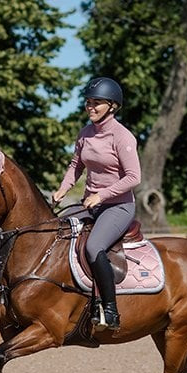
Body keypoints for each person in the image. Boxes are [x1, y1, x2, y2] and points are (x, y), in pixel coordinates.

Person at [52, 77, 141, 330]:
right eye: (88, 103)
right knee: (57, 233)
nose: (90, 107)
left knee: (93, 247)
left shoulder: (122, 137)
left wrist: (101, 196)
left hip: (118, 207)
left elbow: (134, 177)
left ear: (112, 106)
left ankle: (110, 310)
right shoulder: (85, 134)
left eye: (97, 103)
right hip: (90, 205)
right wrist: (63, 188)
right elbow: (75, 166)